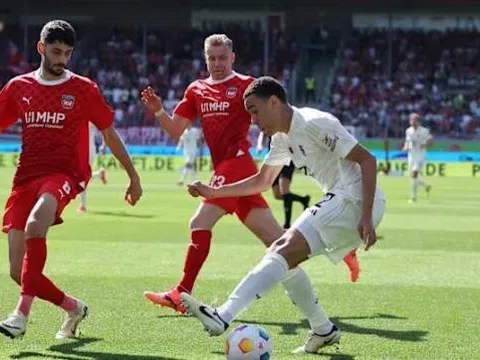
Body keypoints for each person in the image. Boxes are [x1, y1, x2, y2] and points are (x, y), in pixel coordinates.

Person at [181, 76, 386, 354]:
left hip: (356, 197)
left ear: (274, 102)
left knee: (281, 248)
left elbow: (367, 160)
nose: (252, 120)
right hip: (340, 198)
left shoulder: (315, 123)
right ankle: (323, 329)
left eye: (254, 110)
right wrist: (212, 192)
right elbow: (262, 181)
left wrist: (365, 217)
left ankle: (223, 315)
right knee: (285, 260)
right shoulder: (280, 138)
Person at [141, 34, 324, 324]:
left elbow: (275, 114)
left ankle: (181, 292)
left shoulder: (245, 86)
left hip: (237, 163)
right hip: (232, 170)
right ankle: (335, 247)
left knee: (199, 222)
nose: (216, 63)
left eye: (222, 58)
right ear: (205, 58)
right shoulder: (196, 90)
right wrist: (159, 111)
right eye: (211, 58)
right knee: (278, 242)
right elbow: (176, 130)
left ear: (232, 57)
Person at [0, 20, 143, 340]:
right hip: (26, 176)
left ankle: (20, 314)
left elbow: (109, 133)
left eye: (67, 53)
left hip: (66, 174)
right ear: (41, 48)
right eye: (55, 51)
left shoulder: (83, 89)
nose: (61, 59)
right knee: (17, 270)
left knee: (38, 223)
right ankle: (73, 307)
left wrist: (133, 175)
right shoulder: (19, 87)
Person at [257, 131, 360, 282]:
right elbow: (262, 134)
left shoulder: (284, 123)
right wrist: (260, 145)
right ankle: (303, 200)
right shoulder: (266, 121)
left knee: (284, 193)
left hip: (285, 159)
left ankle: (287, 222)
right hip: (272, 158)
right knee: (278, 195)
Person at [77, 122, 107, 212]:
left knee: (80, 178)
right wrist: (104, 144)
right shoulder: (89, 115)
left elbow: (105, 127)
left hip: (84, 151)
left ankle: (83, 206)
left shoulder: (77, 114)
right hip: (89, 151)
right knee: (80, 178)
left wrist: (104, 144)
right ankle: (99, 174)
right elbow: (105, 128)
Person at [403, 113, 433, 203]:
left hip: (420, 155)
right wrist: (405, 147)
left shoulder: (424, 131)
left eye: (414, 120)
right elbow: (407, 141)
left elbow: (431, 140)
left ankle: (413, 197)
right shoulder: (408, 131)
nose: (412, 121)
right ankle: (426, 185)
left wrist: (425, 144)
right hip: (411, 155)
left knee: (414, 173)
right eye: (411, 119)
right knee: (413, 177)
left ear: (418, 121)